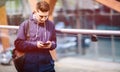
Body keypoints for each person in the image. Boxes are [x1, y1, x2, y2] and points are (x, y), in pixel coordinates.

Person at [14, 1, 57, 72]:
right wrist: (35, 45)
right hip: (29, 66)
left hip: (47, 66)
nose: (44, 19)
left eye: (46, 16)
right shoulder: (25, 24)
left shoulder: (51, 25)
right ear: (35, 12)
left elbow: (54, 43)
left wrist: (51, 45)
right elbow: (18, 44)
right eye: (41, 16)